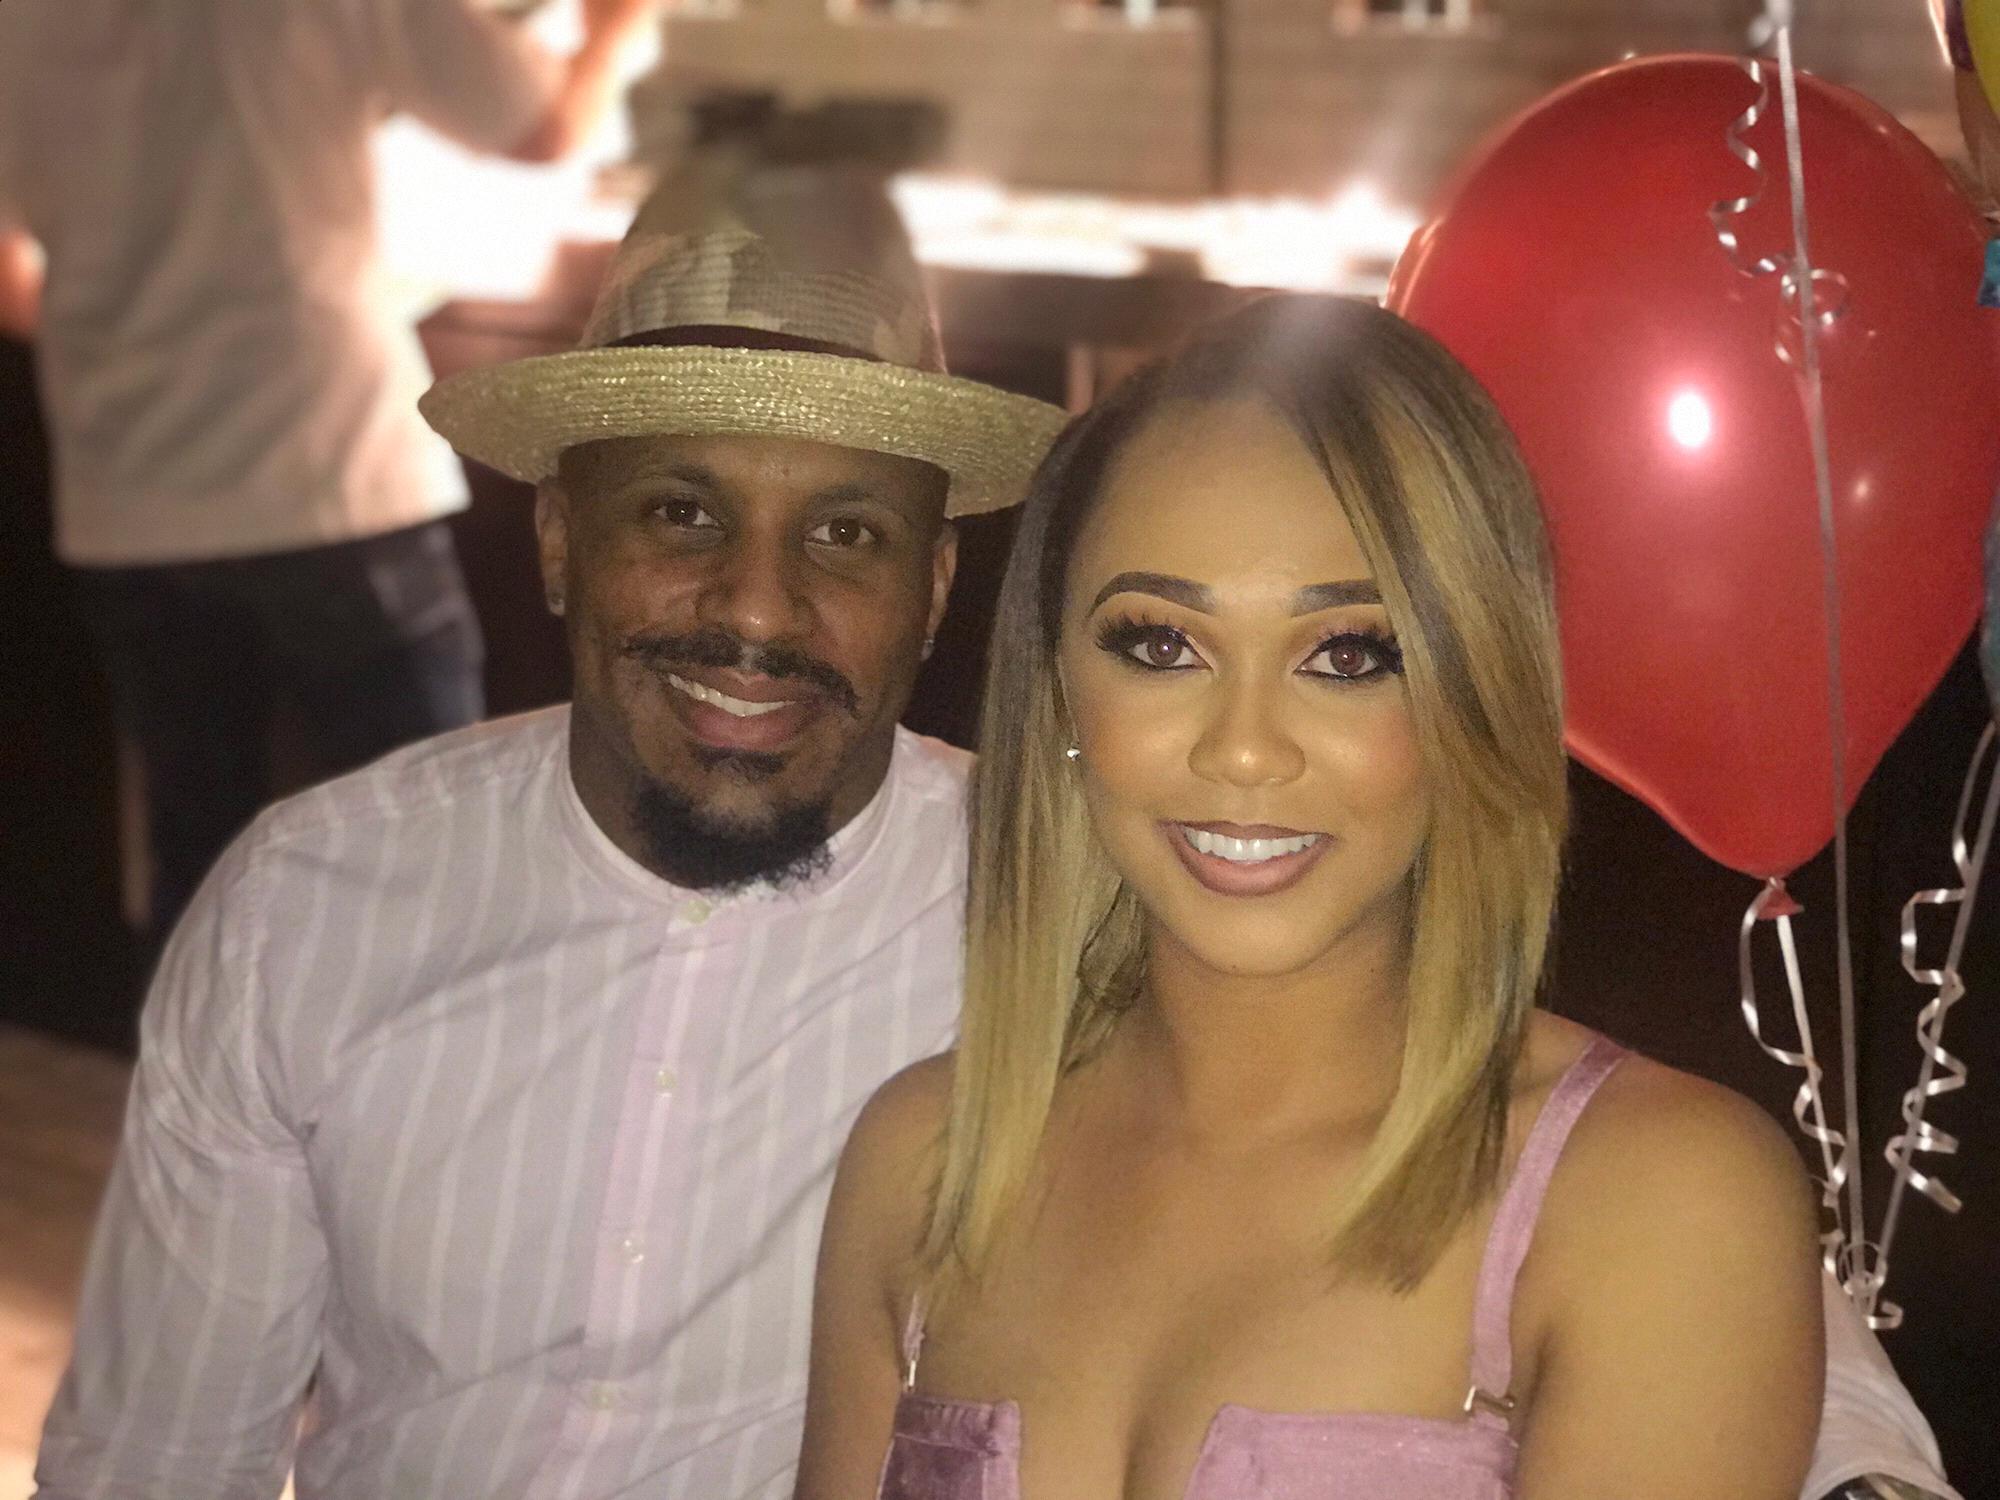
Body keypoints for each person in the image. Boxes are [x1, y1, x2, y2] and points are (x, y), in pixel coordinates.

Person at [794, 297, 1956, 1500]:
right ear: (1057, 688)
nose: (1244, 749)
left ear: (1472, 689)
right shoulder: (923, 1161)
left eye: (1348, 655)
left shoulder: (1652, 1199)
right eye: (1159, 644)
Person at [31, 163, 1069, 1499]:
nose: (758, 608)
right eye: (682, 513)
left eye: (846, 531)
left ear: (931, 589)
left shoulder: (1052, 921)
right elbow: (158, 1455)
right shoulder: (309, 904)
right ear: (562, 542)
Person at [0, 0, 656, 955]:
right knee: (425, 854)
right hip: (330, 475)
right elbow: (543, 130)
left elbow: (11, 279)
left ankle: (205, 1054)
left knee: (202, 863)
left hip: (128, 500)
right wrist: (618, 26)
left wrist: (122, 330)